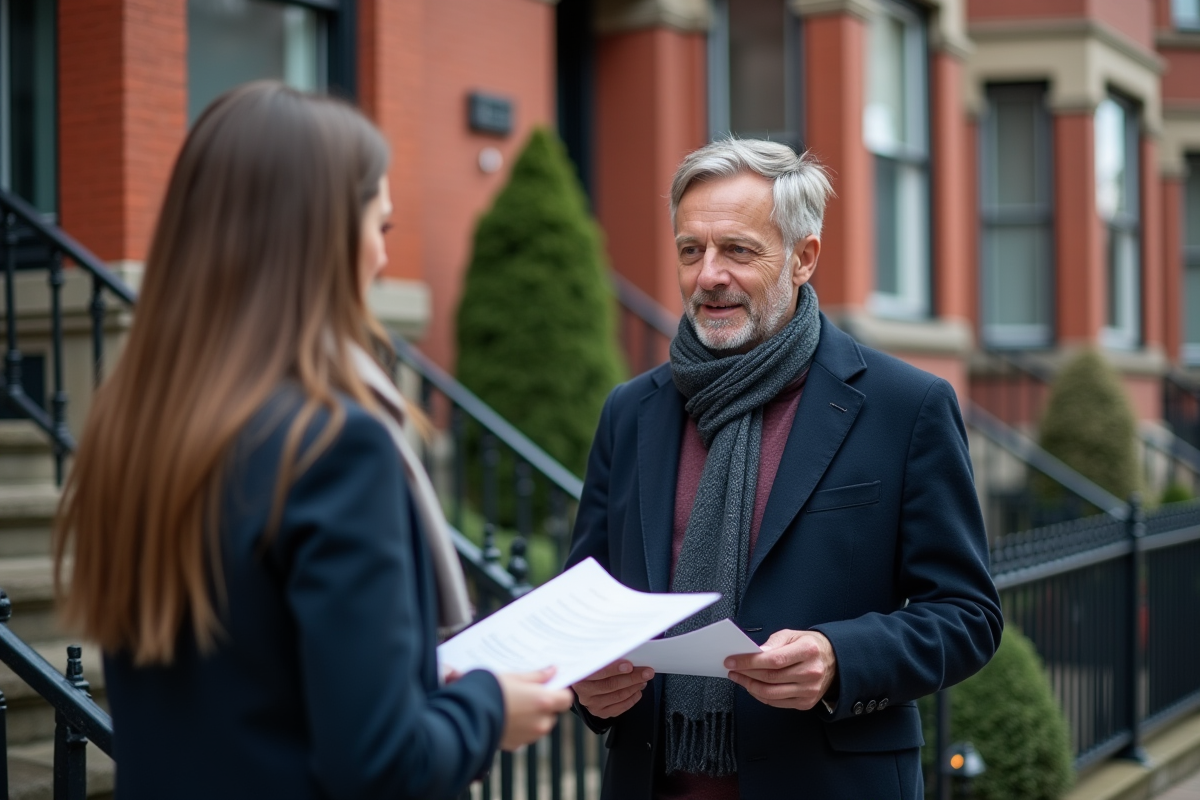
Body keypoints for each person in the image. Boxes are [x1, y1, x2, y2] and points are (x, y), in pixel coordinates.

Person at [52, 81, 572, 800]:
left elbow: (248, 685)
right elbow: (381, 765)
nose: (384, 260)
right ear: (319, 233)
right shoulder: (334, 445)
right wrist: (488, 708)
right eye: (379, 227)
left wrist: (412, 688)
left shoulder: (134, 429)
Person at [565, 139, 1003, 799]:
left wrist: (839, 660)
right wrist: (586, 683)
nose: (709, 274)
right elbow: (585, 605)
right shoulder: (631, 413)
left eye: (738, 250)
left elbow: (968, 615)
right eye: (691, 250)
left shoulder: (904, 407)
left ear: (804, 258)